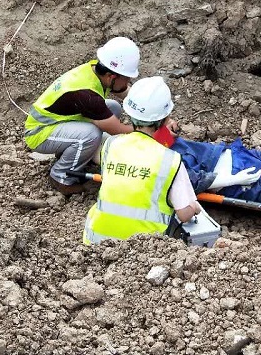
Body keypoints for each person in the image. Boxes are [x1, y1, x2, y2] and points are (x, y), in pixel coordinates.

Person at [84, 77, 200, 245]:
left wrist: (165, 136)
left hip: (96, 243)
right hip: (143, 248)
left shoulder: (111, 144)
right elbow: (184, 214)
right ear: (165, 118)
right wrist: (194, 207)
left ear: (129, 113)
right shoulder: (170, 160)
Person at [23, 37, 140, 195]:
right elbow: (117, 130)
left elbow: (128, 94)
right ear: (112, 77)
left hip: (58, 123)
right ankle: (60, 177)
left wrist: (156, 113)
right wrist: (147, 130)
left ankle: (77, 153)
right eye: (127, 78)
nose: (128, 82)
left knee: (113, 107)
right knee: (91, 135)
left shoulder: (95, 70)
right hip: (39, 133)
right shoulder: (87, 95)